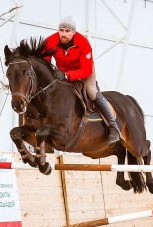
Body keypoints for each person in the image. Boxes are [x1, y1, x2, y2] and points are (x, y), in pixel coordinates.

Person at [44, 16, 120, 144]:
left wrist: (68, 76)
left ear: (74, 32)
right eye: (61, 30)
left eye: (67, 31)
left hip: (84, 72)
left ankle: (113, 126)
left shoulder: (83, 43)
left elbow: (86, 70)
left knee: (91, 91)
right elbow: (45, 63)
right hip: (62, 73)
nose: (63, 34)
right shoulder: (50, 41)